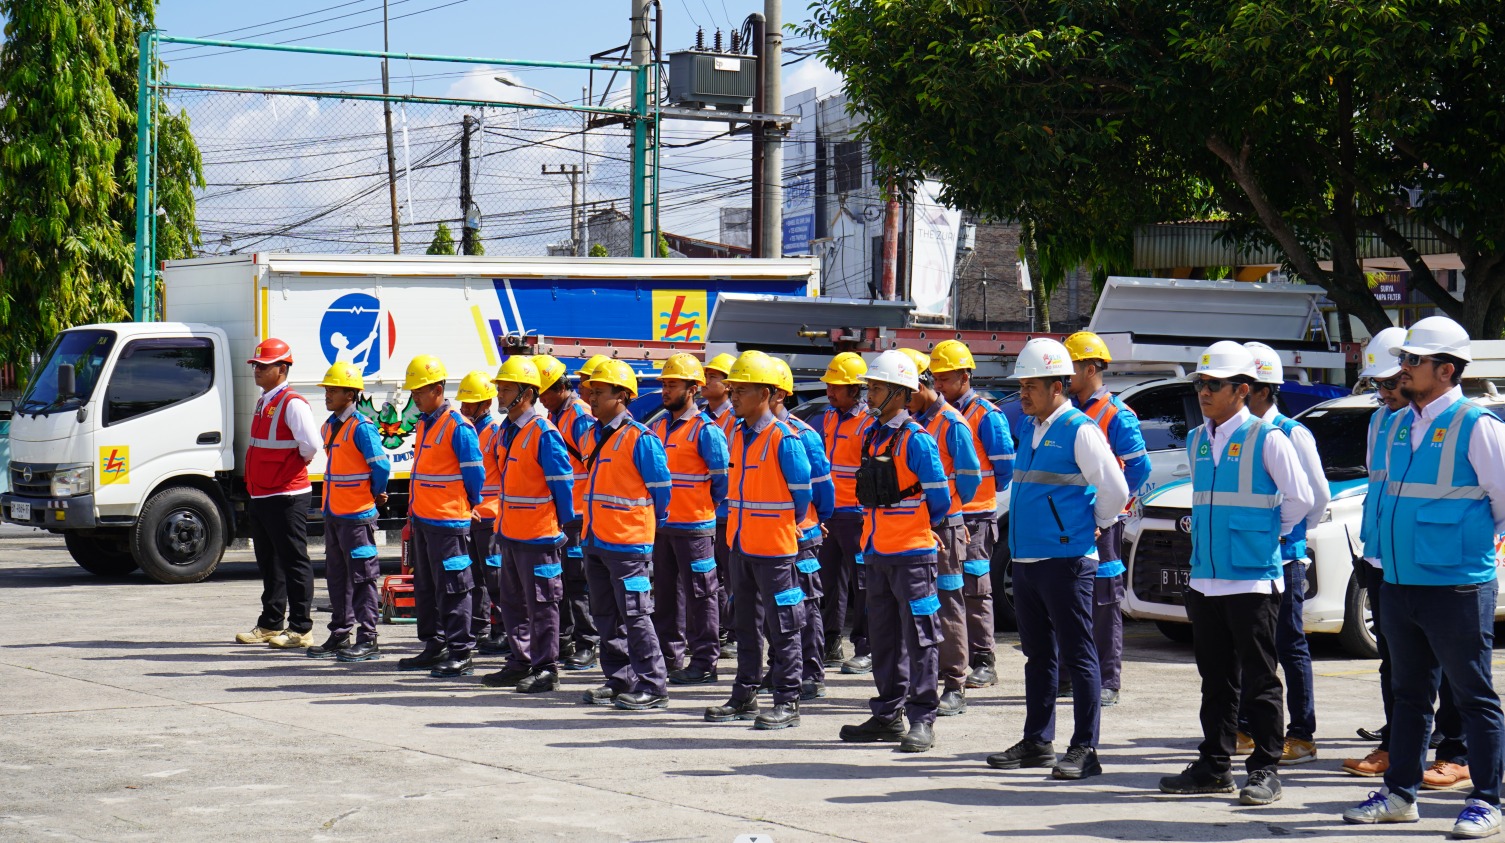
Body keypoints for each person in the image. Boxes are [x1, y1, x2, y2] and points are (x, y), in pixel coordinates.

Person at [1344, 316, 1505, 839]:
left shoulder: (1476, 424)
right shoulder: (1388, 424)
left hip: (1456, 582)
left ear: (1446, 369)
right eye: (1404, 360)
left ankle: (1486, 800)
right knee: (1409, 695)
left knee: (1473, 695)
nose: (1403, 369)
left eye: (1413, 361)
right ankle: (1399, 794)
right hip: (1398, 580)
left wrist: (1463, 545)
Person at [1158, 341, 1313, 807]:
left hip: (1251, 580)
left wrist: (1264, 536)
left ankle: (1265, 767)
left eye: (1213, 384)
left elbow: (1301, 500)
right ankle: (1215, 765)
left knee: (1262, 679)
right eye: (1200, 384)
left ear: (1243, 390)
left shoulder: (1270, 438)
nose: (1203, 391)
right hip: (1206, 578)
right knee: (1216, 680)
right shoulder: (1197, 439)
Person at [984, 339, 1128, 781]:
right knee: (1039, 656)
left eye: (1031, 386)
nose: (1023, 394)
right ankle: (1037, 741)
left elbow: (1116, 492)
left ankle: (1085, 748)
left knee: (1080, 655)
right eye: (1022, 385)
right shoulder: (1031, 428)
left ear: (1057, 385)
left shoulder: (1079, 429)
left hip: (1066, 560)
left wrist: (1094, 525)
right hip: (1028, 561)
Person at [1342, 331, 1471, 789]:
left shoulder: (1463, 423)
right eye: (1379, 384)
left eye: (1391, 382)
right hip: (1385, 558)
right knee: (1397, 662)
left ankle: (1455, 751)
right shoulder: (1384, 422)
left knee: (1454, 665)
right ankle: (1397, 742)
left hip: (1440, 564)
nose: (1385, 392)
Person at [836, 349, 950, 753]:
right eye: (869, 385)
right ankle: (887, 714)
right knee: (884, 639)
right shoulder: (873, 434)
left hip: (912, 557)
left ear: (900, 394)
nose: (869, 393)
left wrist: (917, 527)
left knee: (920, 639)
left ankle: (922, 719)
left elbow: (940, 499)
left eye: (877, 387)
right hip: (877, 553)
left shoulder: (917, 440)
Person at [704, 351, 813, 730]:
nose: (732, 396)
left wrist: (779, 523)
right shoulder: (736, 433)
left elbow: (802, 496)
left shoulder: (785, 438)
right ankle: (744, 694)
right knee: (745, 625)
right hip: (741, 547)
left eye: (741, 390)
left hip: (776, 551)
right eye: (731, 389)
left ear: (765, 394)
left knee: (784, 626)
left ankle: (787, 700)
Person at [1238, 342, 1332, 765]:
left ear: (1262, 390)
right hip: (1246, 558)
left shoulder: (1293, 434)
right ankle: (1246, 727)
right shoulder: (1237, 434)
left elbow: (1316, 497)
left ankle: (1302, 733)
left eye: (1244, 385)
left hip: (1283, 558)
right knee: (1248, 647)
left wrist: (1285, 537)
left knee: (1289, 646)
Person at [577, 360, 674, 711]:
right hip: (596, 541)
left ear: (622, 396)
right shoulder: (592, 435)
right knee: (605, 616)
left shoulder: (640, 439)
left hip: (629, 545)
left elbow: (662, 491)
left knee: (636, 616)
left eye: (599, 393)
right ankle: (619, 678)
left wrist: (647, 524)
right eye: (591, 393)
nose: (591, 399)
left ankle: (653, 684)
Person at [1061, 331, 1149, 707]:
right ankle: (1070, 675)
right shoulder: (1066, 410)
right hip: (1068, 519)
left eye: (1071, 367)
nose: (1065, 375)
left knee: (1104, 599)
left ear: (1091, 368)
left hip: (1103, 522)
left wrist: (1106, 511)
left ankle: (1107, 679)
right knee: (1066, 598)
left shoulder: (1115, 414)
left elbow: (1139, 468)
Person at [480, 356, 577, 694]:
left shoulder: (544, 433)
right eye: (499, 388)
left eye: (505, 389)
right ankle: (520, 661)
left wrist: (564, 527)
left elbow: (562, 485)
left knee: (542, 605)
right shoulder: (506, 431)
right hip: (511, 534)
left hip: (539, 536)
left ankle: (546, 668)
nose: (499, 395)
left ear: (525, 393)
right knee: (515, 603)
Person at [899, 348, 982, 717]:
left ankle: (954, 683)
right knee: (919, 606)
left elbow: (969, 480)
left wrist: (950, 516)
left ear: (919, 385)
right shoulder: (911, 421)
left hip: (944, 528)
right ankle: (922, 681)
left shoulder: (952, 423)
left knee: (948, 604)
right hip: (913, 530)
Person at [930, 339, 1014, 689]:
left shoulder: (986, 414)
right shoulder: (936, 414)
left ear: (965, 376)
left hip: (977, 517)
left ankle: (984, 659)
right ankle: (954, 657)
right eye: (936, 379)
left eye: (946, 379)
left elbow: (1005, 466)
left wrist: (980, 499)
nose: (939, 386)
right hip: (951, 517)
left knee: (976, 589)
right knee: (948, 591)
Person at [395, 355, 486, 679]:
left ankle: (460, 651)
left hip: (448, 524)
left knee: (454, 588)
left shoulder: (458, 426)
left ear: (437, 388)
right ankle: (434, 645)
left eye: (419, 391)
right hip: (424, 520)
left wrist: (468, 504)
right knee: (427, 587)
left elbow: (475, 474)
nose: (414, 397)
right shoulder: (424, 422)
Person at [236, 338, 323, 649]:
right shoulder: (265, 400)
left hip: (286, 494)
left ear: (282, 369)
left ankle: (301, 628)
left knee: (293, 560)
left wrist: (288, 468)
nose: (257, 370)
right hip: (263, 493)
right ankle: (271, 623)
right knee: (269, 562)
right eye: (255, 365)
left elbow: (310, 445)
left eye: (263, 366)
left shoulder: (292, 403)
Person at [650, 353, 729, 685]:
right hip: (664, 527)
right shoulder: (655, 426)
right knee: (666, 595)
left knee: (701, 596)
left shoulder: (706, 431)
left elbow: (721, 480)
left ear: (693, 389)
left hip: (695, 528)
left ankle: (704, 661)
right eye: (665, 385)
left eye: (673, 385)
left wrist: (702, 507)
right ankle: (669, 657)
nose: (666, 391)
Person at [309, 362, 390, 662]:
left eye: (334, 390)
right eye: (327, 389)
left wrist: (372, 493)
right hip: (335, 515)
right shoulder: (329, 426)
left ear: (351, 394)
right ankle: (340, 634)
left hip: (357, 517)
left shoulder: (362, 427)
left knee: (363, 578)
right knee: (337, 578)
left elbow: (380, 465)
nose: (328, 395)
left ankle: (368, 638)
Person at [769, 357, 837, 700]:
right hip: (770, 539)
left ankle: (811, 672)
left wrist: (813, 521)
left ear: (778, 395)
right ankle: (781, 665)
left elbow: (823, 491)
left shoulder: (802, 434)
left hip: (802, 535)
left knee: (806, 605)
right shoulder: (748, 431)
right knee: (776, 608)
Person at [536, 353, 601, 671]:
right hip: (565, 513)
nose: (541, 399)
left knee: (578, 581)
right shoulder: (557, 414)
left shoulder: (578, 415)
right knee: (563, 579)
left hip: (579, 512)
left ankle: (588, 643)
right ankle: (567, 639)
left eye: (542, 392)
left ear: (557, 388)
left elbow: (593, 464)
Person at [815, 351, 877, 675]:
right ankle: (830, 644)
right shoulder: (829, 417)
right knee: (830, 583)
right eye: (830, 386)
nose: (830, 391)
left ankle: (865, 648)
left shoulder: (869, 422)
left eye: (837, 387)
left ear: (855, 389)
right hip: (831, 515)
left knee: (862, 585)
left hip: (857, 515)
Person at [454, 371, 504, 654]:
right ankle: (481, 626)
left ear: (485, 404)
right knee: (476, 577)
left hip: (491, 516)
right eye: (463, 404)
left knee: (495, 577)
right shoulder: (469, 430)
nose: (464, 409)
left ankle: (503, 629)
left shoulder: (494, 433)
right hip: (472, 515)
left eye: (470, 404)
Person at [702, 351, 739, 659]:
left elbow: (723, 472)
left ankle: (733, 629)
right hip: (710, 514)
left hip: (729, 511)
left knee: (734, 576)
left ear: (728, 385)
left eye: (713, 376)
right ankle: (722, 630)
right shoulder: (705, 416)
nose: (706, 379)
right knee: (712, 578)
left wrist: (718, 500)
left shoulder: (735, 419)